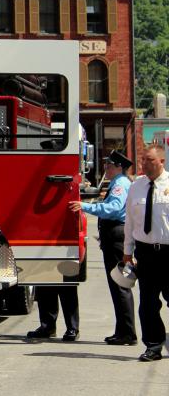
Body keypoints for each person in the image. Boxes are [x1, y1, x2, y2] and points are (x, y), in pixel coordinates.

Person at [68, 150, 136, 345]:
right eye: (106, 164)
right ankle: (122, 330)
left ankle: (127, 333)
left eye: (110, 165)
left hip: (117, 236)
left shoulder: (121, 184)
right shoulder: (118, 183)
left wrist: (85, 206)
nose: (106, 167)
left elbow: (113, 208)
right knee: (118, 286)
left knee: (120, 285)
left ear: (120, 168)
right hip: (113, 236)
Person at [123, 144, 169, 362]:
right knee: (148, 303)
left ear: (162, 161)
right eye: (143, 159)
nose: (144, 164)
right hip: (146, 253)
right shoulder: (136, 187)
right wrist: (126, 252)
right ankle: (153, 345)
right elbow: (130, 221)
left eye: (149, 160)